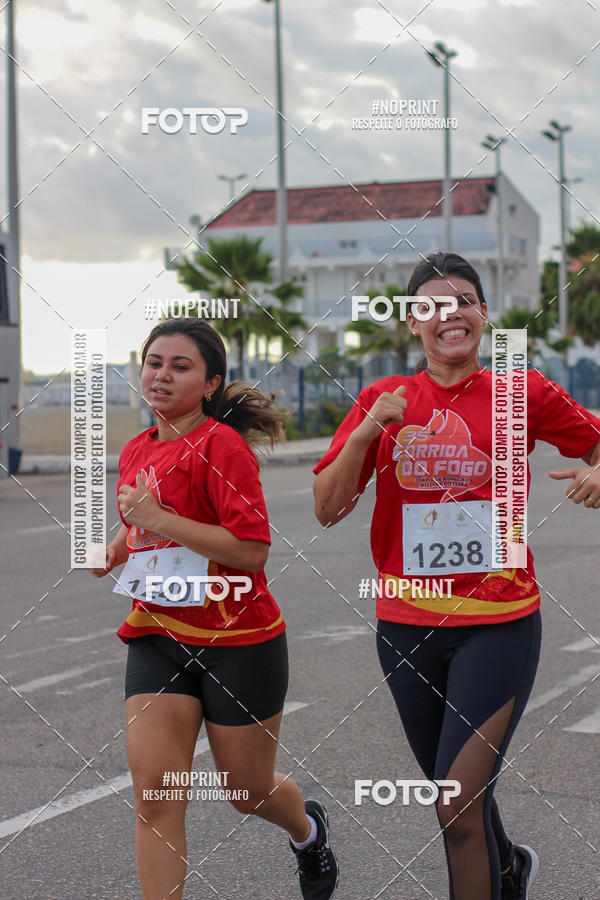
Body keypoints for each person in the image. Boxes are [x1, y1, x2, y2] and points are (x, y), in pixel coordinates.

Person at [313, 252, 600, 900]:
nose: (451, 313)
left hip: (499, 626)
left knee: (454, 803)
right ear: (414, 323)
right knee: (462, 793)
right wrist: (365, 434)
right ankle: (507, 872)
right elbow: (328, 510)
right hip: (406, 630)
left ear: (484, 315)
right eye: (433, 305)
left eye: (465, 300)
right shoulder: (381, 401)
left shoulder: (520, 392)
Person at [90, 318, 338, 900]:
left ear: (209, 384)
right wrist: (116, 548)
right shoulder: (135, 450)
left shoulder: (221, 447)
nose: (163, 375)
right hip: (157, 631)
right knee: (155, 791)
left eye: (181, 366)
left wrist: (155, 520)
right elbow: (144, 527)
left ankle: (307, 831)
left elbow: (250, 549)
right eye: (154, 362)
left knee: (246, 791)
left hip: (239, 639)